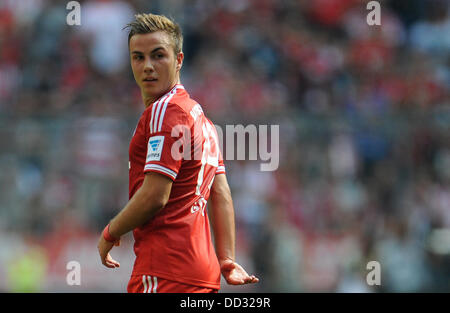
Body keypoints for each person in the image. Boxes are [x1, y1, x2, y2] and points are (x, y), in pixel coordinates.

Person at [97, 13, 259, 293]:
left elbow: (155, 195)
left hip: (164, 268)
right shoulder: (202, 119)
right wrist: (227, 259)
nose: (148, 66)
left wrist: (110, 232)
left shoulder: (165, 110)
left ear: (179, 60)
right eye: (138, 57)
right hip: (202, 273)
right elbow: (220, 194)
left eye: (158, 56)